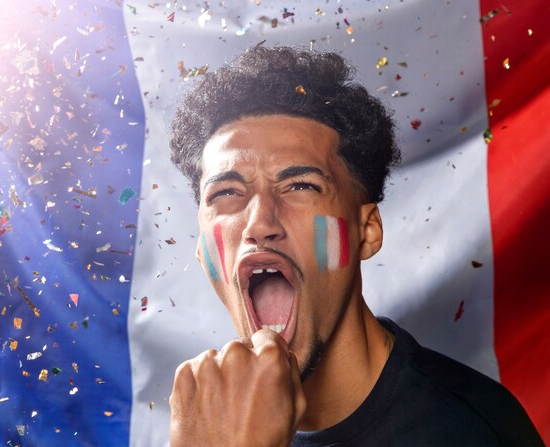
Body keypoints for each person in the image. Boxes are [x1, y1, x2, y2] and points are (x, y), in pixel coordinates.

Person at [167, 44, 543, 446]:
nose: (259, 223)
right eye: (226, 193)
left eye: (300, 186)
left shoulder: (470, 430)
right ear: (201, 247)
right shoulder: (203, 419)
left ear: (367, 231)